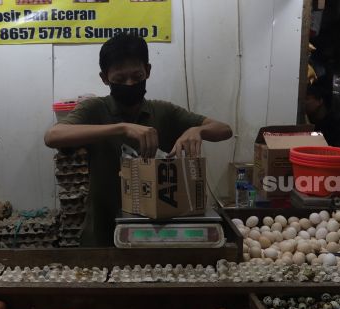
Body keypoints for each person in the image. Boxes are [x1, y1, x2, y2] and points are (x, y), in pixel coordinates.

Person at [44, 34, 232, 246]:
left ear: (148, 71)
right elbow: (53, 136)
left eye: (137, 75)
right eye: (119, 79)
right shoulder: (94, 109)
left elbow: (224, 130)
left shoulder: (164, 111)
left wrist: (198, 131)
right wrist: (121, 128)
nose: (130, 83)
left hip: (157, 234)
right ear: (104, 78)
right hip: (102, 233)